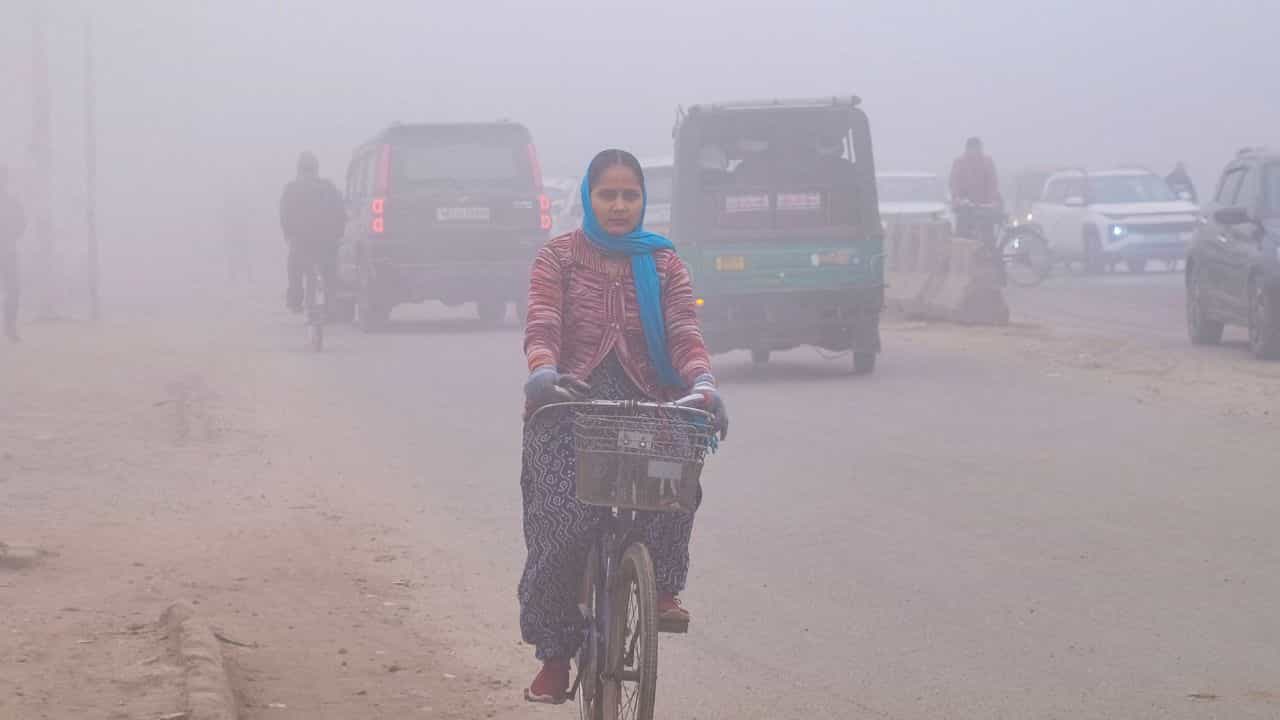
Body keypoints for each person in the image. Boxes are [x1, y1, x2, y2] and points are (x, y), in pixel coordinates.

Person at [518, 149, 729, 704]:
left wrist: (703, 382)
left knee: (675, 478)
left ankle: (659, 585)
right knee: (562, 523)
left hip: (646, 403)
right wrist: (542, 372)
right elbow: (542, 322)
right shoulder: (559, 257)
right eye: (607, 194)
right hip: (569, 404)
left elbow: (684, 329)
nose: (617, 205)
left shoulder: (663, 264)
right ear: (589, 198)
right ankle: (557, 655)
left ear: (642, 201)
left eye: (628, 195)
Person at [278, 151, 345, 313]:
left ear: (299, 169)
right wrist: (338, 234)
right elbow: (341, 213)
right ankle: (331, 302)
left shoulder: (291, 189)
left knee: (294, 270)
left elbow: (284, 215)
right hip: (327, 242)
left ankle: (295, 300)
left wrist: (289, 235)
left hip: (301, 242)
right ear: (316, 169)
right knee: (330, 272)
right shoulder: (328, 187)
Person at [949, 137, 1002, 242]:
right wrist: (958, 199)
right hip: (966, 207)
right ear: (967, 149)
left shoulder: (986, 162)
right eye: (973, 148)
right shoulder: (960, 163)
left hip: (984, 207)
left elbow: (993, 183)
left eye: (977, 148)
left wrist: (991, 201)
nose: (975, 151)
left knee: (986, 236)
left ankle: (988, 254)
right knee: (963, 236)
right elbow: (954, 183)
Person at [0, 164, 26, 343]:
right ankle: (10, 329)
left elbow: (22, 222)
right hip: (8, 250)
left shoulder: (12, 202)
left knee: (13, 290)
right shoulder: (11, 202)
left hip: (8, 252)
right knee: (13, 290)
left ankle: (10, 328)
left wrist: (12, 236)